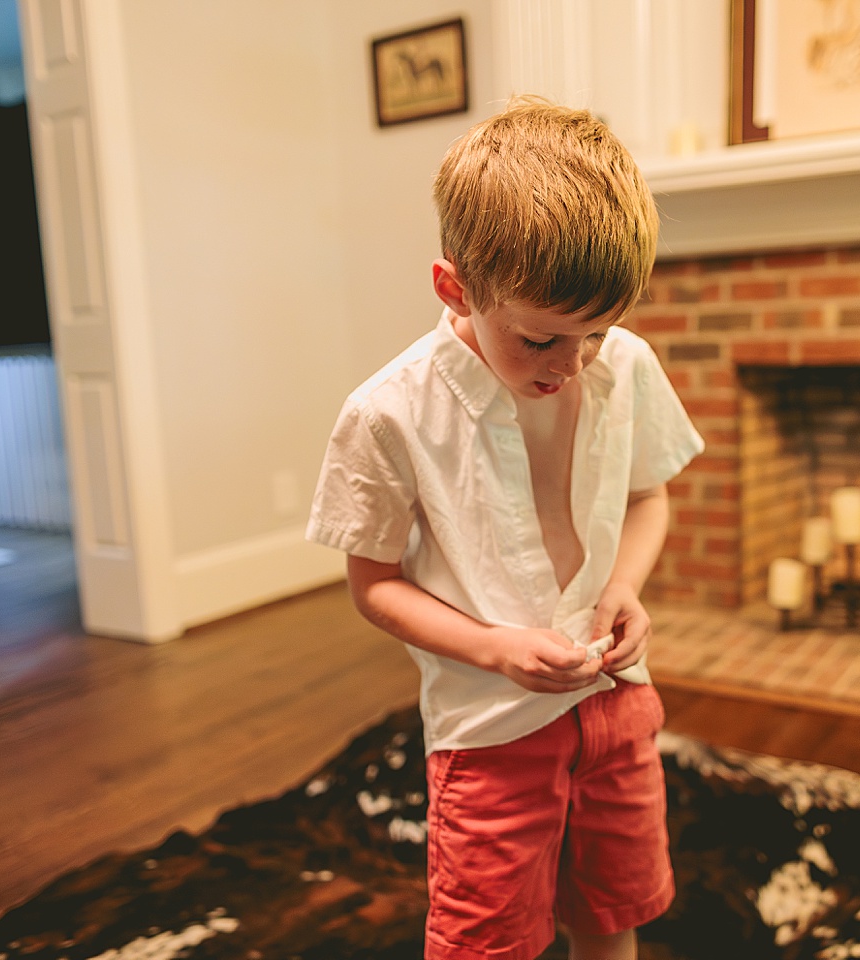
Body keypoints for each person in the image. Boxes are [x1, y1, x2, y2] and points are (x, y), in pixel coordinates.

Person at [306, 97, 703, 960]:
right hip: (487, 730)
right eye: (541, 340)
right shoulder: (387, 413)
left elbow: (647, 499)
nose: (573, 365)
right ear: (456, 287)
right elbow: (374, 586)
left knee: (612, 913)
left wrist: (625, 585)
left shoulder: (622, 364)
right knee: (488, 941)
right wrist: (495, 651)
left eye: (596, 333)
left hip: (617, 700)